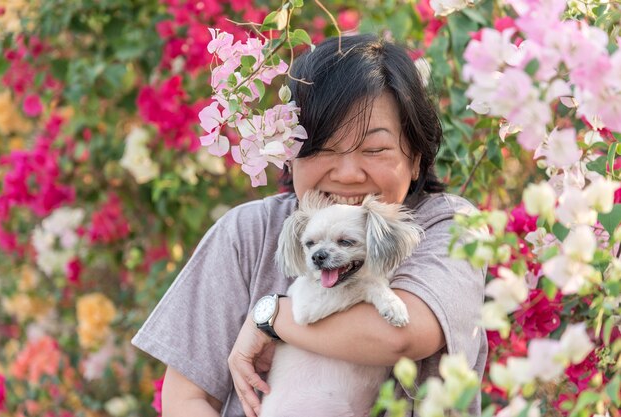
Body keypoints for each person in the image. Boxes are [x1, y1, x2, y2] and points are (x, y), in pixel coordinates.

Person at [132, 33, 487, 417]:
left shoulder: (450, 226)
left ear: (416, 157)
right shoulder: (247, 233)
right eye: (321, 149)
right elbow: (187, 399)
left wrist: (269, 319)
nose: (349, 174)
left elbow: (404, 335)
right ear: (288, 155)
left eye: (374, 149)